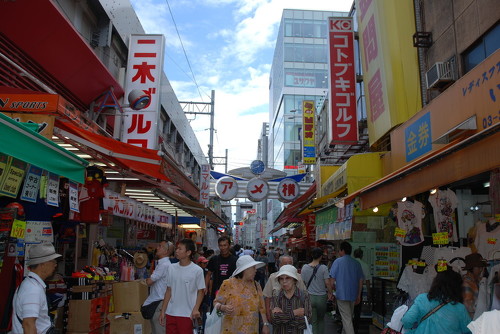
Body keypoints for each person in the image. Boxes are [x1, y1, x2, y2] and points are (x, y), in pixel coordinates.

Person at [11, 243, 61, 334]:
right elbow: (28, 324)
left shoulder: (32, 285)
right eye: (53, 261)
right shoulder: (32, 289)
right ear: (43, 264)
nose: (55, 265)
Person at [402, 269, 471, 333]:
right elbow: (468, 330)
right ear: (457, 288)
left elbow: (407, 320)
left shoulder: (422, 299)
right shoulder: (459, 308)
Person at [214, 255, 270, 334]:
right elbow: (216, 303)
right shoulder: (228, 284)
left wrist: (265, 324)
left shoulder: (256, 285)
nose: (256, 270)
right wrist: (222, 307)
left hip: (252, 330)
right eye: (253, 267)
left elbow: (262, 307)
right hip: (231, 330)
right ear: (245, 269)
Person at [159, 238, 205, 333]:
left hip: (187, 314)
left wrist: (196, 309)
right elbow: (168, 290)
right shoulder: (171, 268)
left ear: (188, 252)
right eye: (177, 248)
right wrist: (163, 311)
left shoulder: (197, 270)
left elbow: (201, 292)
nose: (176, 251)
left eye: (180, 249)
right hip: (171, 312)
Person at [329, 241, 364, 334]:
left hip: (341, 294)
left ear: (342, 250)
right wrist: (359, 295)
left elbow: (332, 280)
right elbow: (361, 280)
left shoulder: (337, 262)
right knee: (348, 318)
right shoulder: (356, 263)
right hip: (353, 295)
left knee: (347, 319)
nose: (338, 252)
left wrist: (331, 292)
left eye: (339, 250)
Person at [263, 255, 307, 323]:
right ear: (280, 265)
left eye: (290, 263)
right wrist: (268, 314)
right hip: (278, 317)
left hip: (296, 317)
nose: (288, 265)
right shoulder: (273, 277)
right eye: (285, 263)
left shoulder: (298, 277)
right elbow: (267, 297)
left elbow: (305, 296)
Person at [142, 240, 172, 334]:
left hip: (159, 302)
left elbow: (150, 281)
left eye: (160, 246)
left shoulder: (164, 265)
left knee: (159, 330)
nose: (157, 248)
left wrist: (143, 281)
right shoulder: (163, 264)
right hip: (158, 301)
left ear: (166, 251)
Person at [271, 265, 312, 334]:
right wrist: (294, 313)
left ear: (294, 280)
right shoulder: (276, 295)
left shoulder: (304, 295)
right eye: (281, 278)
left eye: (288, 278)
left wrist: (283, 317)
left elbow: (307, 320)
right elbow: (275, 320)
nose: (284, 281)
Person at [301, 247, 333, 334]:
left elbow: (302, 284)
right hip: (321, 298)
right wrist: (330, 293)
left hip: (310, 297)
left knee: (313, 321)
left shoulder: (304, 267)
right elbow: (327, 283)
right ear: (321, 257)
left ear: (311, 255)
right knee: (321, 320)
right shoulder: (324, 268)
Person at [205, 236, 238, 304]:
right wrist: (206, 287)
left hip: (231, 292)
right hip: (217, 291)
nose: (223, 248)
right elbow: (208, 274)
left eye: (225, 245)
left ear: (229, 246)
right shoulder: (214, 259)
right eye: (221, 245)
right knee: (215, 312)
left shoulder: (235, 260)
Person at [462, 253, 487, 319]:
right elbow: (468, 305)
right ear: (471, 268)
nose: (481, 270)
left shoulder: (477, 280)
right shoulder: (466, 283)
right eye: (479, 267)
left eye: (482, 268)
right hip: (471, 321)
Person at [353, 248, 371, 334]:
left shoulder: (351, 264)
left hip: (350, 289)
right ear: (362, 256)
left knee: (349, 310)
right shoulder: (365, 265)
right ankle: (355, 328)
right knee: (357, 310)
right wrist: (368, 292)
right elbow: (367, 280)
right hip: (360, 289)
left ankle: (348, 327)